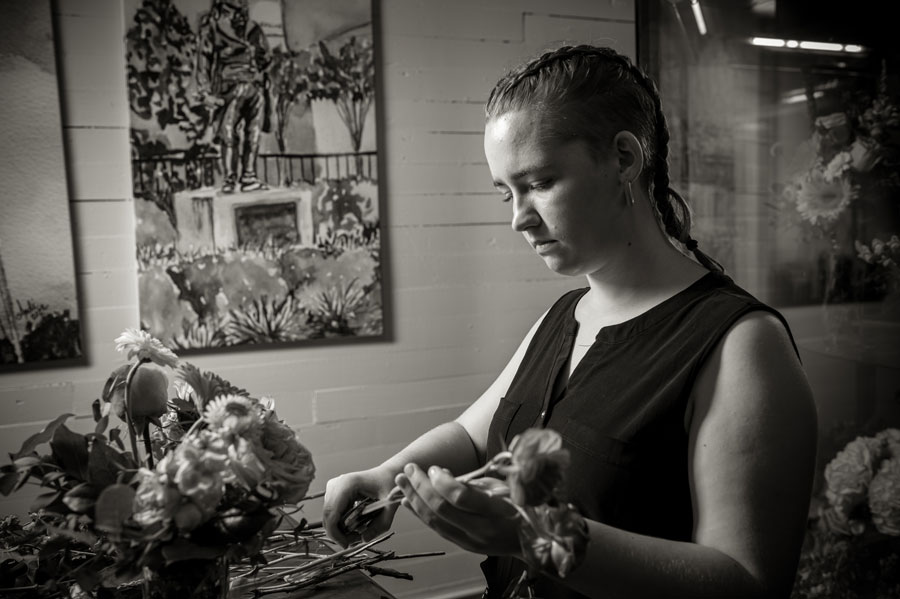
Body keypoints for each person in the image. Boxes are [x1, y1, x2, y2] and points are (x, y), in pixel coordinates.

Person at [323, 45, 818, 599]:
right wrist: (384, 477)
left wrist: (538, 537)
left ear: (625, 159)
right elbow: (471, 433)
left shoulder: (742, 346)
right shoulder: (565, 316)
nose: (517, 219)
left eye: (538, 183)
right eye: (505, 192)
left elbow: (747, 583)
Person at [196, 0, 272, 194]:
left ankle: (248, 176)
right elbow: (204, 60)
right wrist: (205, 92)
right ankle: (230, 178)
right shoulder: (212, 28)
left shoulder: (252, 28)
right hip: (230, 87)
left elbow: (266, 56)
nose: (238, 13)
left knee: (252, 134)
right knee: (228, 134)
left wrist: (258, 68)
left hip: (254, 87)